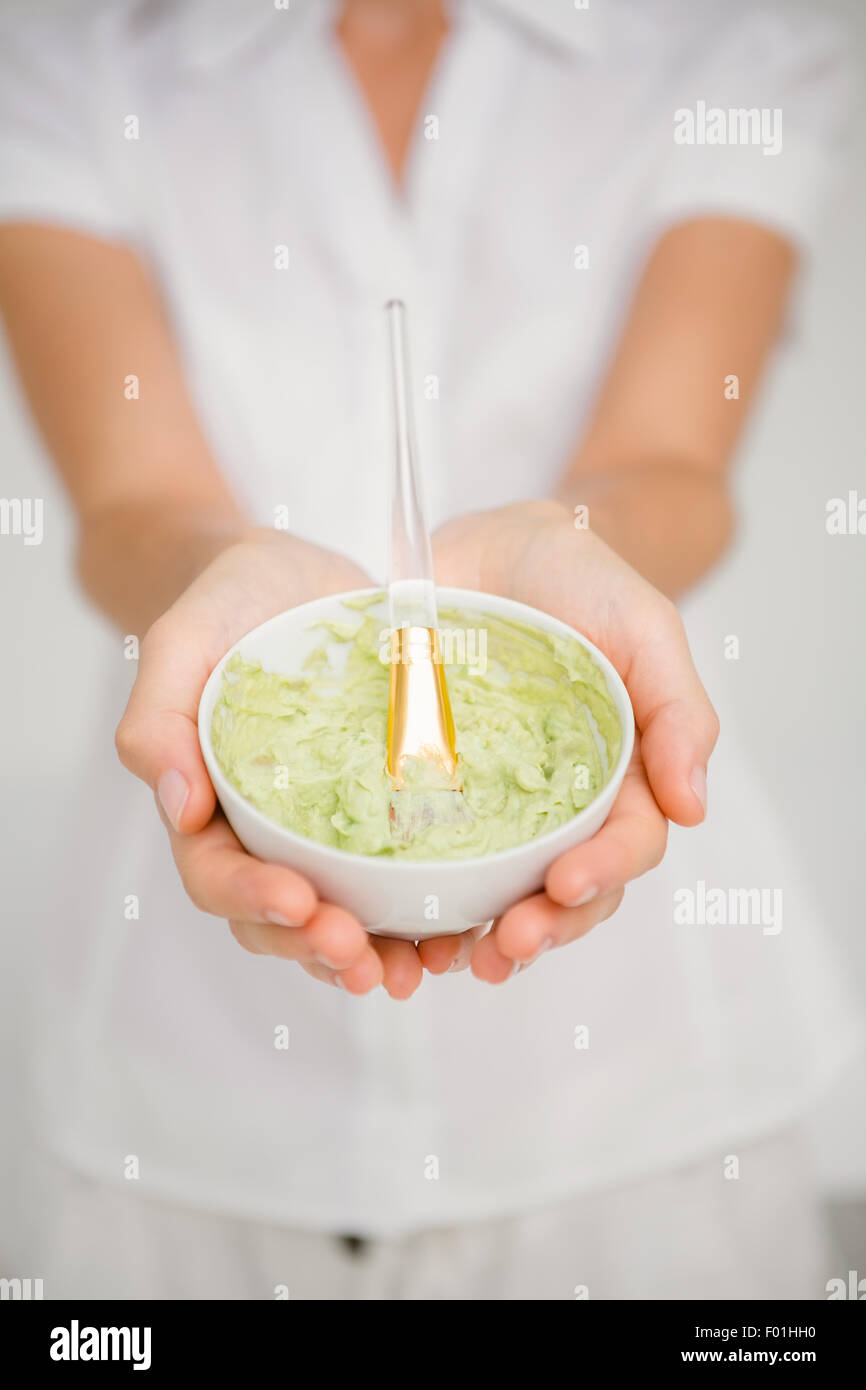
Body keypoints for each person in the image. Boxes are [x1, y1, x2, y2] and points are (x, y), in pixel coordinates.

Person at [0, 0, 860, 1299]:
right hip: (188, 1106)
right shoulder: (70, 65)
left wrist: (572, 547)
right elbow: (133, 509)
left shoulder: (725, 42)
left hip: (634, 1102)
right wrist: (219, 582)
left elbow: (670, 466)